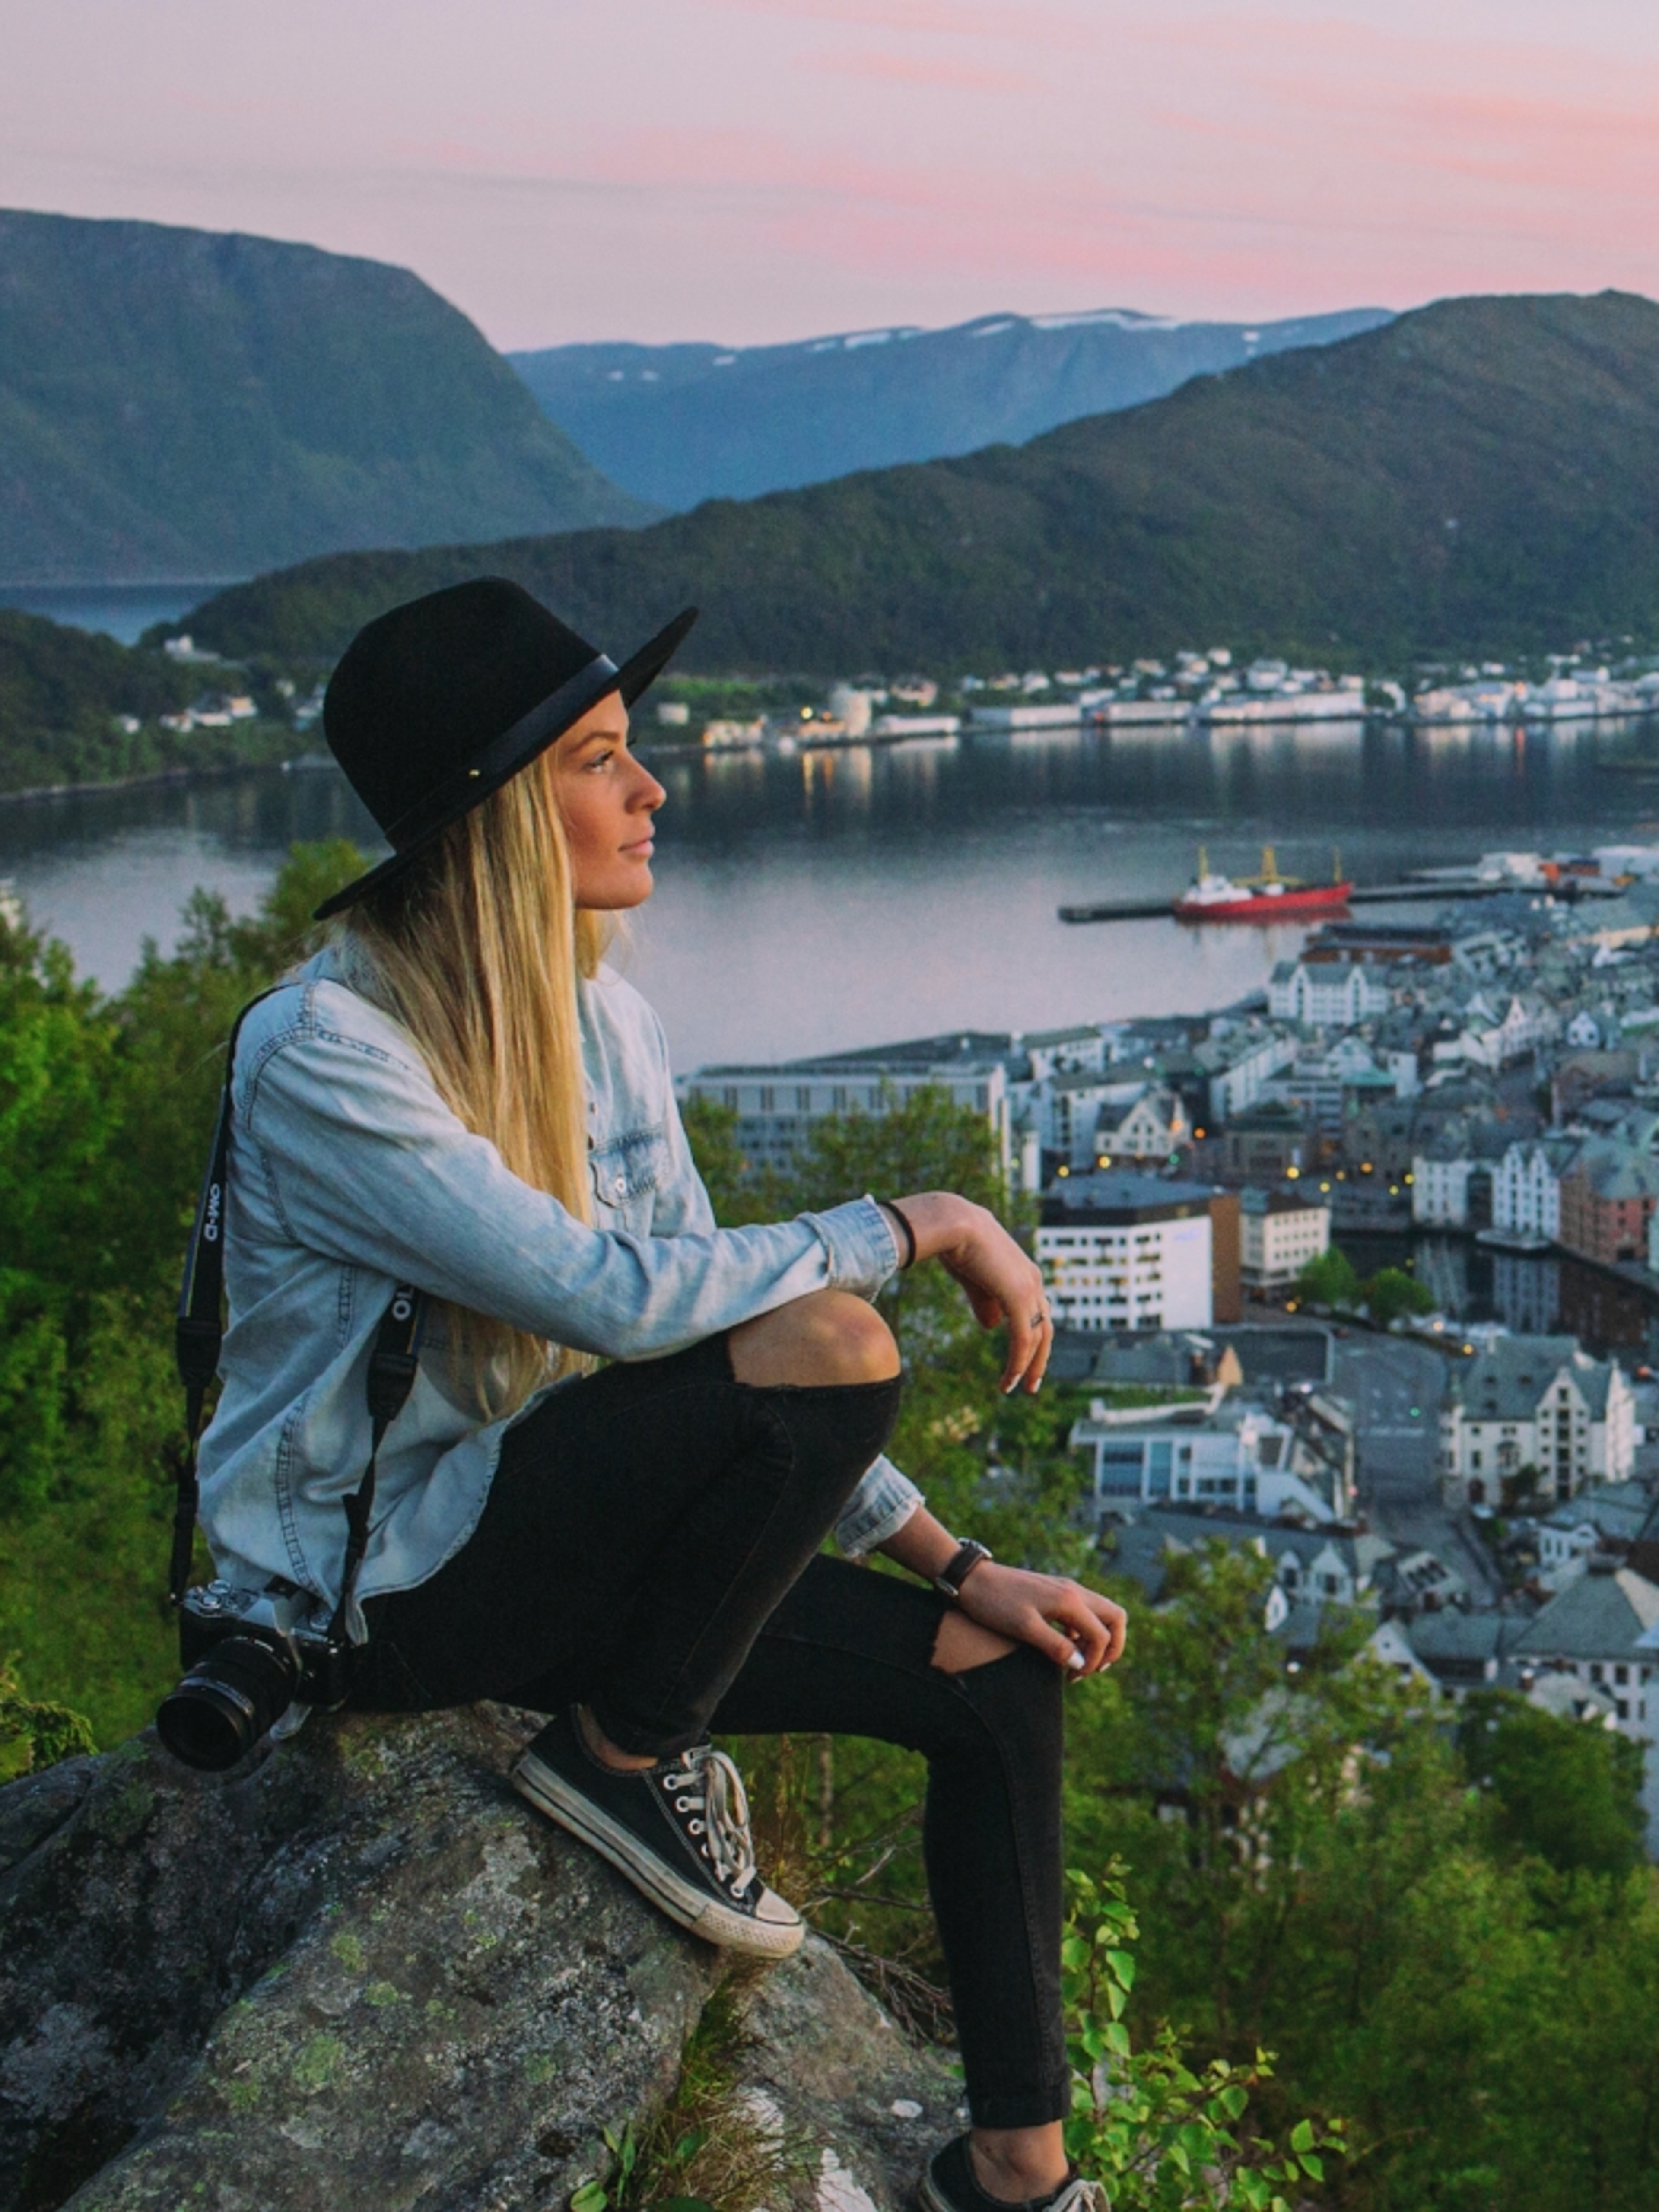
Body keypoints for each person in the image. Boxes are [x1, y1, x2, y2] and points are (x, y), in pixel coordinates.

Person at [197, 579, 1127, 2212]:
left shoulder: (602, 1019)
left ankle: (1013, 2176)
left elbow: (717, 1331)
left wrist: (960, 1566)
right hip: (385, 1599)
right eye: (601, 760)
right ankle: (626, 1760)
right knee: (842, 1333)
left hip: (558, 1549)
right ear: (498, 815)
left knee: (998, 1675)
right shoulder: (325, 1055)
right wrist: (920, 1220)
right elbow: (615, 1299)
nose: (653, 791)